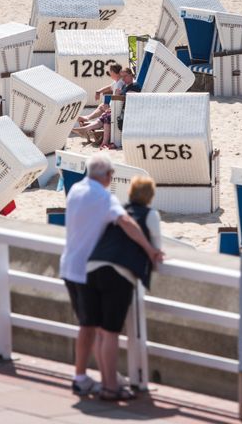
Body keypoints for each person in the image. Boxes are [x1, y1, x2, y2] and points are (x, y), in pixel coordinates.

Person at [60, 154, 163, 397]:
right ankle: (101, 381)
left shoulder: (76, 189)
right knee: (99, 329)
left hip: (70, 263)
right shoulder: (104, 196)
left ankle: (86, 376)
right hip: (87, 268)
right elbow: (125, 220)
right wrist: (150, 249)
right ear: (107, 176)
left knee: (88, 326)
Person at [85, 176, 163, 400]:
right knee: (110, 333)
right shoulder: (150, 215)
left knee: (100, 332)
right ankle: (111, 387)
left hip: (92, 267)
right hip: (116, 273)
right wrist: (151, 251)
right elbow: (157, 248)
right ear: (150, 196)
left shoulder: (115, 210)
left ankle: (106, 382)